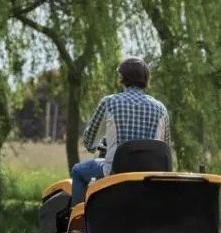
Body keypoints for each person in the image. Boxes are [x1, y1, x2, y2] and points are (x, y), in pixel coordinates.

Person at [70, 57, 171, 205]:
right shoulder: (160, 108)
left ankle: (78, 222)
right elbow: (164, 149)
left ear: (122, 77)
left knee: (78, 171)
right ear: (146, 78)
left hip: (115, 173)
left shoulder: (109, 102)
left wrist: (94, 144)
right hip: (149, 178)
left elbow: (89, 142)